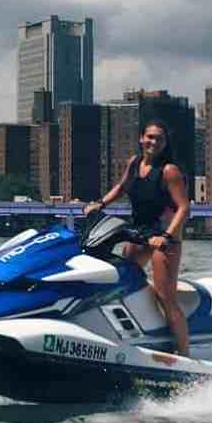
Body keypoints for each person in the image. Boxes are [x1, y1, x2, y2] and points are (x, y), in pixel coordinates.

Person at [84, 121, 192, 356]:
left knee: (166, 297)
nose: (154, 142)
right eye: (150, 137)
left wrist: (166, 236)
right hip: (139, 232)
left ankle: (185, 356)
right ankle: (138, 334)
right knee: (124, 281)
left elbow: (184, 207)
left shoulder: (169, 171)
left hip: (164, 238)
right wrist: (100, 204)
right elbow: (122, 187)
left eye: (160, 139)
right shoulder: (134, 163)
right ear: (141, 138)